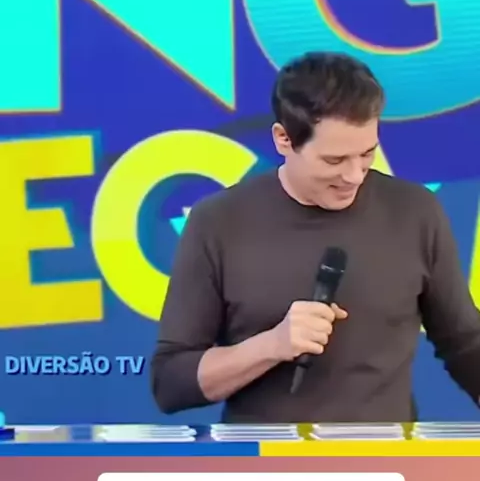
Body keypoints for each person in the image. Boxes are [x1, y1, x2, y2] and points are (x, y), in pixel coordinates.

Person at [150, 51, 480, 422]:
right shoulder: (218, 221)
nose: (354, 176)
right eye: (334, 161)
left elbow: (465, 342)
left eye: (367, 154)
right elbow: (171, 382)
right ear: (283, 139)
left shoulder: (415, 211)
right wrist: (272, 345)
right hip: (263, 456)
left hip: (385, 456)